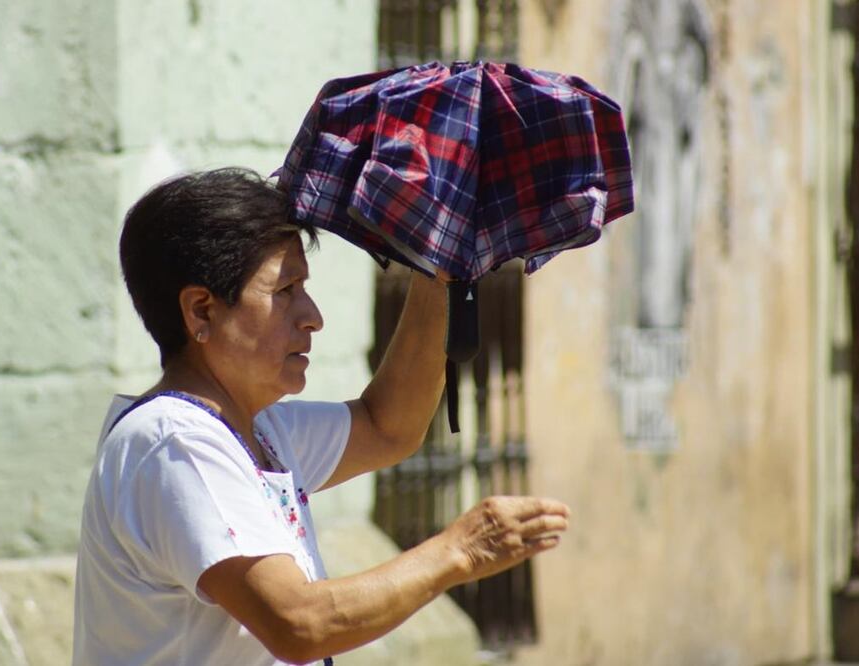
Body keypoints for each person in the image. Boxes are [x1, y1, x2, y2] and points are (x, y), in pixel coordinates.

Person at [72, 167, 570, 665]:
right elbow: (299, 623)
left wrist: (439, 266)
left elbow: (387, 426)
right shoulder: (174, 442)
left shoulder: (257, 430)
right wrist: (460, 550)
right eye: (284, 290)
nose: (312, 316)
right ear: (201, 311)